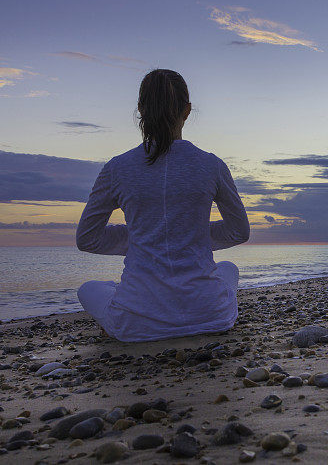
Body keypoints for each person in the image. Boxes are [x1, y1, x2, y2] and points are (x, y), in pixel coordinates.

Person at [75, 69, 250, 342]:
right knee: (228, 269)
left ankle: (126, 301)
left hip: (136, 322)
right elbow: (239, 231)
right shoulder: (212, 165)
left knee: (88, 289)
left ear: (141, 110)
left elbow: (88, 239)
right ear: (187, 111)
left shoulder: (117, 168)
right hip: (211, 316)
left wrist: (147, 238)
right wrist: (188, 237)